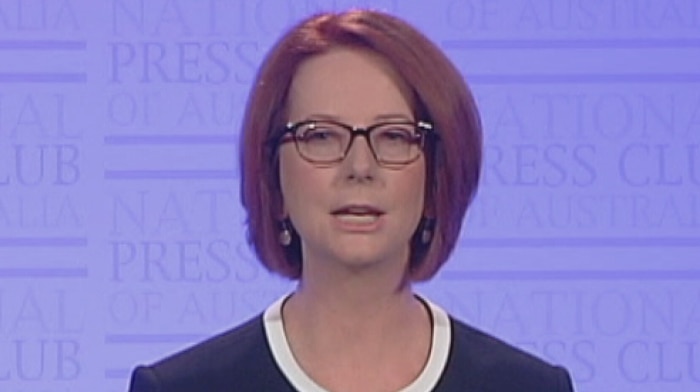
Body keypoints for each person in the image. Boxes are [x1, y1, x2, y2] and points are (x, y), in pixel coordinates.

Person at [128, 9, 575, 392]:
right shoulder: (184, 388)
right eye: (321, 136)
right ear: (273, 179)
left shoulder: (524, 386)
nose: (360, 166)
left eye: (394, 137)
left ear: (437, 177)